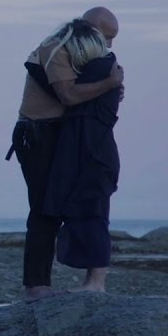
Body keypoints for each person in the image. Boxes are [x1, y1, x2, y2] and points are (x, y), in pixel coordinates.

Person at [7, 7, 124, 301]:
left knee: (64, 205)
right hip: (37, 134)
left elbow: (86, 93)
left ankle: (75, 280)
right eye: (107, 37)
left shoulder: (82, 53)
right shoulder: (55, 49)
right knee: (45, 210)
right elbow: (69, 95)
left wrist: (110, 92)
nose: (109, 45)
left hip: (62, 135)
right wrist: (109, 84)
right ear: (90, 28)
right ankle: (36, 286)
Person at [45, 23, 122, 292]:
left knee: (94, 214)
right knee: (88, 213)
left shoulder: (102, 68)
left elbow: (69, 96)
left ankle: (96, 282)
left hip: (95, 154)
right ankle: (92, 281)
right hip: (91, 152)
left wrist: (112, 83)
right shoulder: (103, 70)